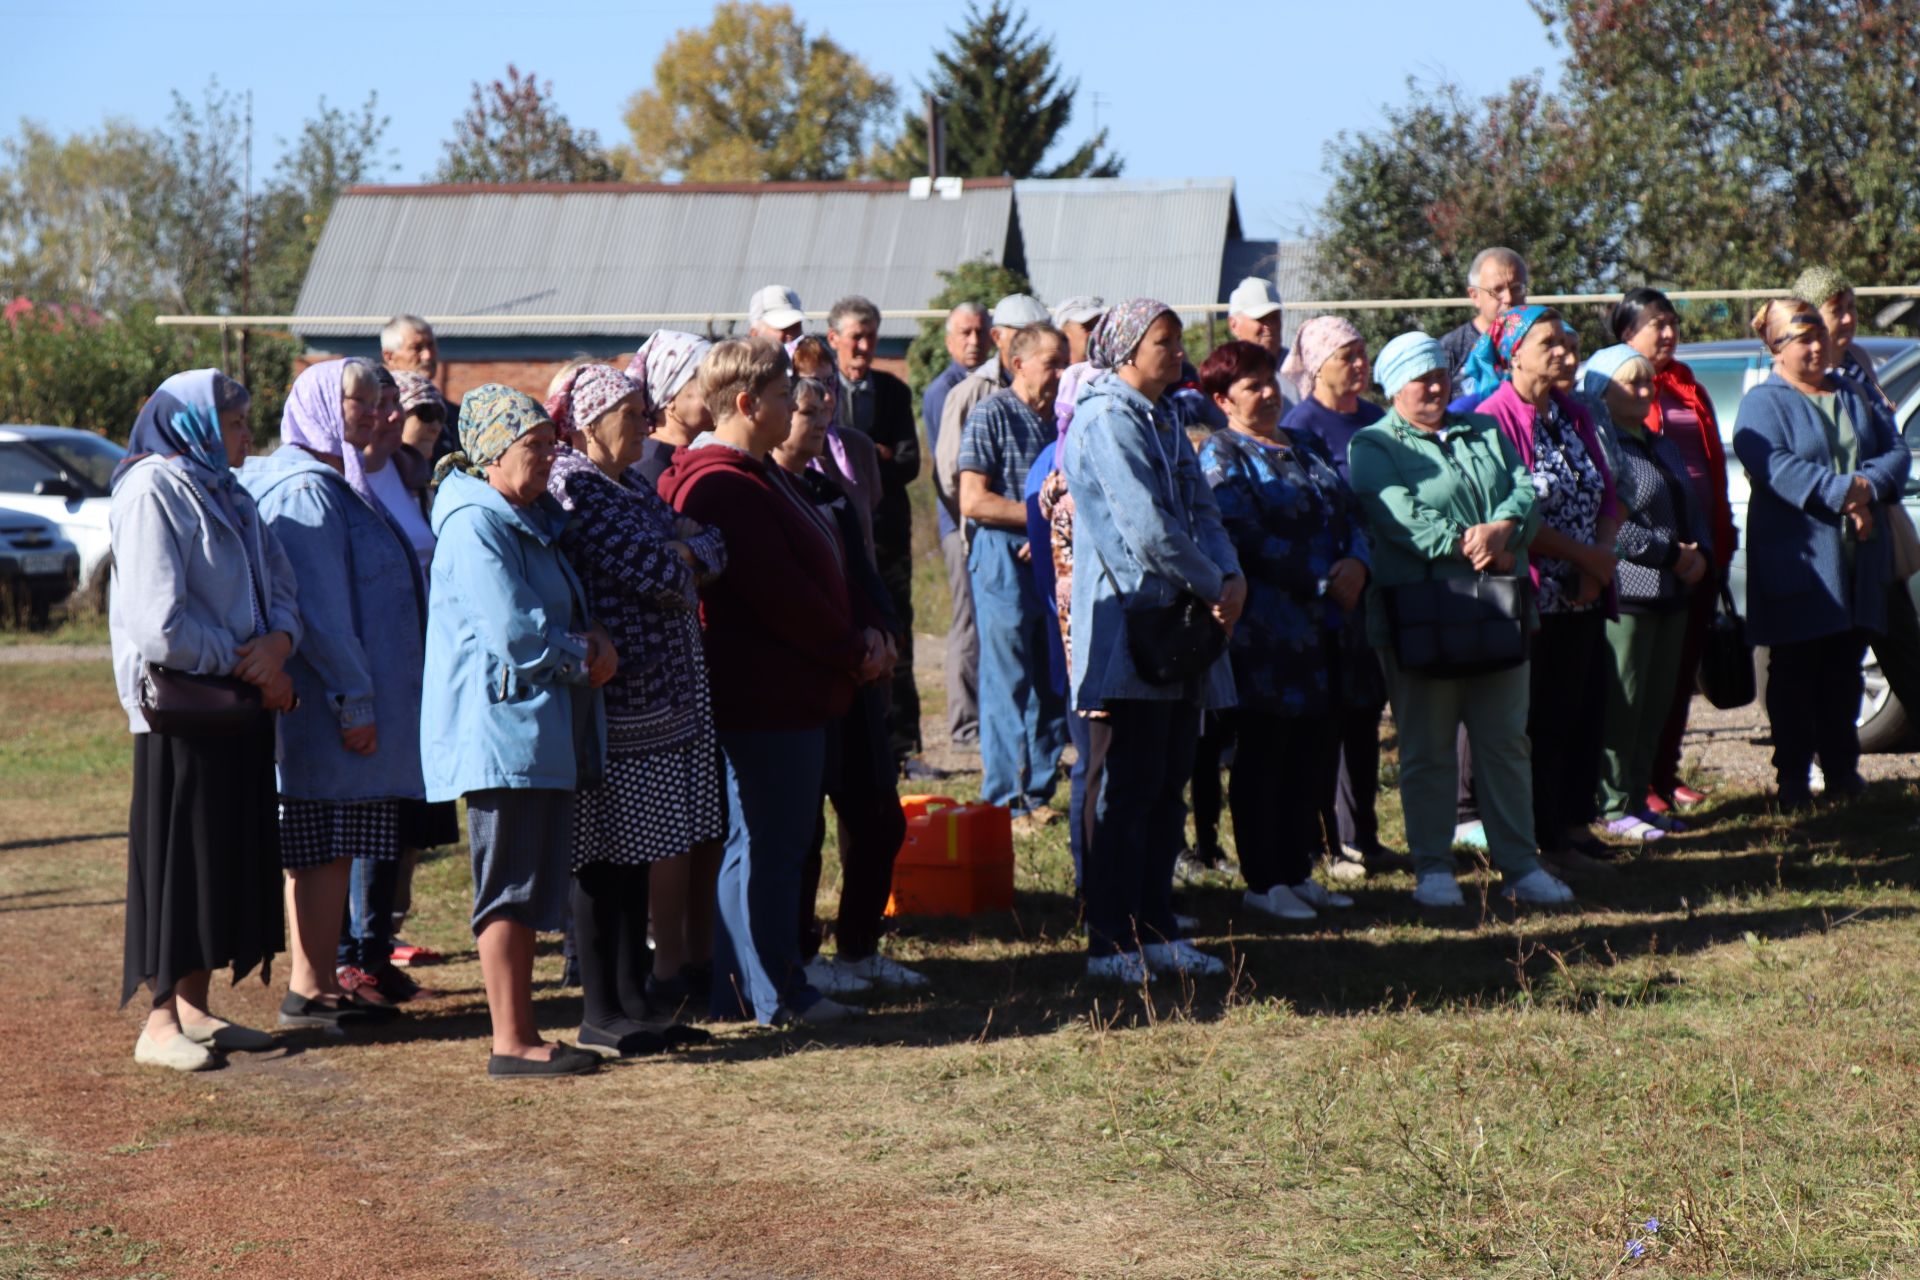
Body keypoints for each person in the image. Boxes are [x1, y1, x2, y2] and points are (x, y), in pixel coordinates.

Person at [658, 338, 887, 1026]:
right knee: (765, 848)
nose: (798, 408)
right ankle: (770, 991)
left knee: (765, 846)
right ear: (748, 403)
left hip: (789, 690)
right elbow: (778, 592)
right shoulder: (724, 481)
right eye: (787, 396)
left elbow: (826, 562)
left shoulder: (754, 472)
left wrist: (865, 634)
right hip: (765, 693)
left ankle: (757, 986)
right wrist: (850, 649)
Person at [423, 385, 616, 1077]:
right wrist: (583, 657)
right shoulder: (476, 524)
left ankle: (523, 1031)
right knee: (507, 880)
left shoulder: (522, 517)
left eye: (548, 446)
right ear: (492, 452)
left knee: (530, 879)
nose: (545, 461)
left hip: (533, 726)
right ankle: (511, 1040)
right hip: (499, 730)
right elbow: (513, 632)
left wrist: (589, 639)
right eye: (532, 448)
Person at [111, 370, 301, 1071]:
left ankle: (195, 1007)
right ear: (194, 424)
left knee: (221, 857)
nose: (250, 430)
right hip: (182, 712)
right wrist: (245, 660)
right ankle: (158, 1023)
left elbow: (279, 586)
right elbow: (157, 625)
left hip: (239, 703)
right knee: (178, 862)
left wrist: (278, 645)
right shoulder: (153, 489)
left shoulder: (231, 490)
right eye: (236, 418)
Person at [1348, 332, 1575, 908]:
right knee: (1427, 747)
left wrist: (1504, 530)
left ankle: (1520, 865)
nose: (1434, 385)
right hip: (1424, 618)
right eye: (1420, 377)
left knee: (1505, 743)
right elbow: (1400, 516)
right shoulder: (1373, 445)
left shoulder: (1484, 429)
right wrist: (1469, 544)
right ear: (1394, 385)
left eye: (1440, 374)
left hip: (1497, 609)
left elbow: (1523, 490)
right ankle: (1433, 869)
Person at [236, 360, 426, 1029]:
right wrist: (357, 700)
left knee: (333, 844)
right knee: (319, 843)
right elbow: (318, 611)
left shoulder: (330, 482)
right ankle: (310, 988)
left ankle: (319, 985)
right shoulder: (305, 490)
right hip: (324, 709)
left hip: (337, 706)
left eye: (383, 403)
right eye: (361, 402)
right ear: (320, 404)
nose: (377, 415)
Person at [1063, 300, 1246, 982]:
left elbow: (1201, 507)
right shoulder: (1106, 418)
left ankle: (1157, 929)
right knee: (1132, 786)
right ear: (1125, 351)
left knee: (1169, 779)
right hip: (1132, 624)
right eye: (1162, 342)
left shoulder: (1165, 414)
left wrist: (1229, 575)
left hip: (1186, 616)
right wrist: (1211, 583)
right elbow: (1143, 528)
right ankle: (1111, 940)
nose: (1176, 353)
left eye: (1175, 341)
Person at [544, 363, 725, 1053]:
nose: (647, 421)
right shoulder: (578, 488)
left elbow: (712, 544)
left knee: (635, 856)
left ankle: (634, 999)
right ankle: (603, 1009)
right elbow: (661, 573)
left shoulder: (631, 483)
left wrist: (680, 553)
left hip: (660, 708)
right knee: (605, 859)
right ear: (590, 419)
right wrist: (680, 556)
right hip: (617, 707)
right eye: (631, 410)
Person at [1197, 340, 1369, 923]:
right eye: (1251, 386)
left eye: (1270, 380)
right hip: (1266, 636)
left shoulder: (1307, 442)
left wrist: (1358, 564)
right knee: (1264, 756)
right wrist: (1324, 578)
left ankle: (1298, 870)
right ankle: (1264, 880)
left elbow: (1350, 513)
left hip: (1327, 633)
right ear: (1222, 399)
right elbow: (1243, 537)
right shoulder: (1222, 455)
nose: (1269, 393)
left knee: (1312, 756)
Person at [767, 362, 924, 994]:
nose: (822, 420)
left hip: (862, 678)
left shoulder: (827, 490)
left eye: (826, 411)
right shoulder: (766, 490)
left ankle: (858, 948)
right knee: (804, 832)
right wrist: (846, 648)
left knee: (879, 818)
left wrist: (884, 636)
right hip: (810, 683)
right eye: (807, 411)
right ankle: (802, 955)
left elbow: (865, 574)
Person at [1734, 299, 1907, 808]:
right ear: (1775, 348)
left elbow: (1893, 451)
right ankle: (1792, 779)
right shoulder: (1764, 403)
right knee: (1794, 673)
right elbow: (1774, 466)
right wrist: (1841, 494)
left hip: (1858, 561)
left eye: (1818, 337)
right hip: (1801, 561)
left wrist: (1867, 487)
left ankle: (1842, 772)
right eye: (1800, 339)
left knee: (1843, 669)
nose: (1815, 347)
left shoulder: (1852, 393)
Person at [1476, 308, 1625, 868]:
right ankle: (1542, 836)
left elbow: (1606, 492)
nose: (1565, 352)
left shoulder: (1572, 412)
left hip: (1585, 590)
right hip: (1536, 594)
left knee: (1582, 710)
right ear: (1513, 353)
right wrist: (1585, 557)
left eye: (1568, 341)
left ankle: (1575, 824)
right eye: (1550, 343)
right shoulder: (1494, 418)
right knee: (1539, 719)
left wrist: (1599, 561)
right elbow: (1516, 515)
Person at [1279, 317, 1410, 880]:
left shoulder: (1377, 420)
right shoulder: (1300, 426)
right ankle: (1322, 840)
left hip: (1374, 585)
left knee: (1364, 714)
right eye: (1346, 356)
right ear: (1316, 364)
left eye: (1363, 355)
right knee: (1325, 721)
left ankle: (1363, 836)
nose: (1359, 365)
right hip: (1325, 593)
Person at [1609, 288, 1737, 811]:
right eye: (1654, 324)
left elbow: (1709, 468)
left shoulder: (1689, 388)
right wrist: (1675, 549)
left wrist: (1712, 543)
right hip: (1649, 562)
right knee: (1638, 678)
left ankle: (1664, 772)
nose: (1667, 333)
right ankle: (1634, 787)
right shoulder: (1627, 397)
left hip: (1699, 549)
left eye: (1671, 322)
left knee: (1678, 672)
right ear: (1626, 335)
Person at [1580, 345, 1713, 843]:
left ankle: (1638, 798)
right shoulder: (1601, 447)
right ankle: (1612, 803)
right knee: (1624, 702)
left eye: (1647, 383)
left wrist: (1700, 554)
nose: (1644, 391)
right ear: (1601, 392)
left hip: (1674, 591)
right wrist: (1669, 553)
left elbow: (1689, 505)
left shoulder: (1662, 444)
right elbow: (1610, 525)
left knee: (1656, 702)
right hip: (1629, 591)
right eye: (1631, 383)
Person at [1793, 265, 1920, 731]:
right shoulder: (1799, 371)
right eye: (1835, 310)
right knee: (1830, 653)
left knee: (1902, 640)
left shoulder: (1859, 361)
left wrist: (1875, 483)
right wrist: (1852, 493)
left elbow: (1891, 441)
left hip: (1878, 525)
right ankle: (1824, 763)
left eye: (1851, 308)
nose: (1847, 319)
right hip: (1830, 535)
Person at [958, 322, 1072, 824]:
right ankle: (1004, 801)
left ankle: (1040, 793)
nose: (1062, 372)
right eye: (1053, 362)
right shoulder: (991, 414)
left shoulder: (1064, 421)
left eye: (1066, 361)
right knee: (1008, 679)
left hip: (1054, 560)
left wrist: (1050, 536)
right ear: (1018, 363)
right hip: (1003, 558)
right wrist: (1038, 520)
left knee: (1052, 676)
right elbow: (973, 500)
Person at [826, 296, 927, 770]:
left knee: (896, 628)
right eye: (855, 337)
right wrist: (871, 458)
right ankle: (859, 739)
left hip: (887, 530)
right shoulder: (822, 394)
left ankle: (904, 743)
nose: (864, 346)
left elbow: (907, 462)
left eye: (871, 336)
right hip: (839, 532)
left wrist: (869, 464)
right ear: (834, 340)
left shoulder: (891, 391)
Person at [925, 302, 992, 749]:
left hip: (985, 519)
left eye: (980, 332)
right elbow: (945, 468)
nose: (973, 341)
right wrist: (968, 517)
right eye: (964, 333)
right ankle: (964, 724)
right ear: (949, 340)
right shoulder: (944, 390)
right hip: (959, 522)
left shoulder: (989, 383)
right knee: (967, 620)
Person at [935, 293, 1052, 544]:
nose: (1034, 344)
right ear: (997, 337)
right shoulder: (972, 393)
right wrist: (980, 527)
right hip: (995, 539)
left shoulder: (1054, 390)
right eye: (1023, 335)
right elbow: (949, 475)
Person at [629, 331, 715, 490]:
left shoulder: (681, 454)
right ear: (669, 395)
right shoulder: (652, 465)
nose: (719, 392)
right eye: (707, 382)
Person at [1440, 248, 1529, 401]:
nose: (1508, 298)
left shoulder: (1538, 342)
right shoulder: (1450, 349)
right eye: (1497, 290)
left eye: (1516, 289)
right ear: (1475, 296)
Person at [1052, 296, 1106, 366]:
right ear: (1063, 333)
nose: (1095, 333)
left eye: (1099, 326)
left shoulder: (1110, 372)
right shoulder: (1054, 374)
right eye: (1087, 326)